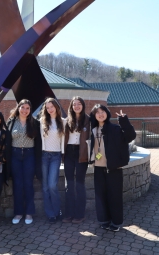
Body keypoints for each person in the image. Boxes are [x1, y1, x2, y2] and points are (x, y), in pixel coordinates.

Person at [89, 104, 136, 232]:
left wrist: (124, 121)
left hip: (113, 168)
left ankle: (116, 222)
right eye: (97, 112)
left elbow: (130, 136)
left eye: (102, 111)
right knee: (101, 196)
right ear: (94, 116)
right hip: (98, 168)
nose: (100, 114)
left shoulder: (114, 128)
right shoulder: (92, 130)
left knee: (114, 197)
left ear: (107, 113)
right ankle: (104, 220)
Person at [6, 99, 42, 225]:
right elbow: (7, 140)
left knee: (28, 184)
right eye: (23, 107)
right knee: (17, 184)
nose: (25, 110)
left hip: (29, 155)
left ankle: (29, 213)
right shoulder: (11, 122)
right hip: (15, 155)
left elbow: (38, 142)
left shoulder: (34, 122)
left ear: (30, 110)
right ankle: (18, 213)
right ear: (18, 108)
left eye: (27, 108)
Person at [62, 96, 90, 224]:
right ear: (71, 107)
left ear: (83, 105)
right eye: (74, 104)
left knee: (79, 184)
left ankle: (80, 214)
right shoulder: (67, 121)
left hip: (82, 153)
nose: (77, 106)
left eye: (79, 104)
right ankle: (69, 213)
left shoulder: (88, 120)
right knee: (69, 184)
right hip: (69, 153)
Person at [38, 98, 65, 223]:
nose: (50, 109)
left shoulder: (62, 122)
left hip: (56, 156)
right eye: (47, 107)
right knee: (45, 187)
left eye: (51, 106)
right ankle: (50, 214)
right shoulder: (42, 122)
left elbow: (64, 141)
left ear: (56, 107)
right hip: (44, 156)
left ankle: (57, 210)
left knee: (52, 185)